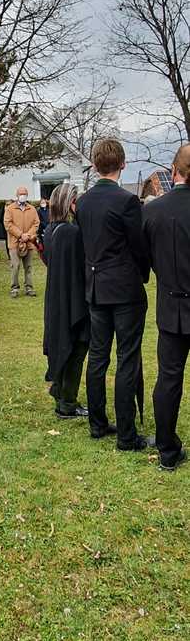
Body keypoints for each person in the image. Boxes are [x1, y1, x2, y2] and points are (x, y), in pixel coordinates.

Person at [76, 138, 150, 450]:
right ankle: (126, 435)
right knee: (127, 358)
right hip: (123, 288)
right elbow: (139, 246)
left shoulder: (83, 202)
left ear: (95, 165)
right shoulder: (126, 201)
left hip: (96, 286)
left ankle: (97, 423)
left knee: (98, 356)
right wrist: (143, 273)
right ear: (122, 164)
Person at [142, 144, 190, 471]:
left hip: (171, 304)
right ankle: (168, 448)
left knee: (169, 378)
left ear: (174, 172)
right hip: (172, 302)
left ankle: (167, 450)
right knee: (169, 379)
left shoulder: (152, 211)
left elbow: (143, 256)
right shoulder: (153, 210)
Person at [43, 184, 89, 419]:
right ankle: (67, 402)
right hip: (72, 297)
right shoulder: (70, 232)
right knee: (76, 348)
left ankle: (61, 392)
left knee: (64, 345)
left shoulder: (51, 230)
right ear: (70, 203)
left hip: (57, 296)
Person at [3, 187, 40, 298]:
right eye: (21, 194)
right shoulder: (10, 209)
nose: (22, 195)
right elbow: (8, 224)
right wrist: (20, 235)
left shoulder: (32, 209)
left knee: (28, 266)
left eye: (24, 194)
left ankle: (29, 287)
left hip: (29, 243)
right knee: (15, 266)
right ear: (17, 195)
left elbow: (36, 223)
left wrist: (28, 235)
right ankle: (14, 288)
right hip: (14, 243)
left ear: (27, 195)